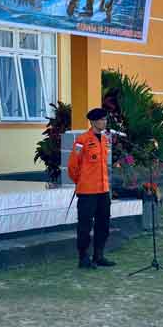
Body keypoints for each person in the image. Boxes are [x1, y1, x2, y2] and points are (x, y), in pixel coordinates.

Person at [68, 108, 114, 269]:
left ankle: (98, 255)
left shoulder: (104, 140)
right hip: (87, 191)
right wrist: (81, 182)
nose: (105, 122)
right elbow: (72, 166)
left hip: (103, 190)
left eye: (105, 119)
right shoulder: (82, 140)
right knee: (85, 226)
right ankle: (83, 258)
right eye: (102, 120)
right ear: (94, 122)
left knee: (104, 224)